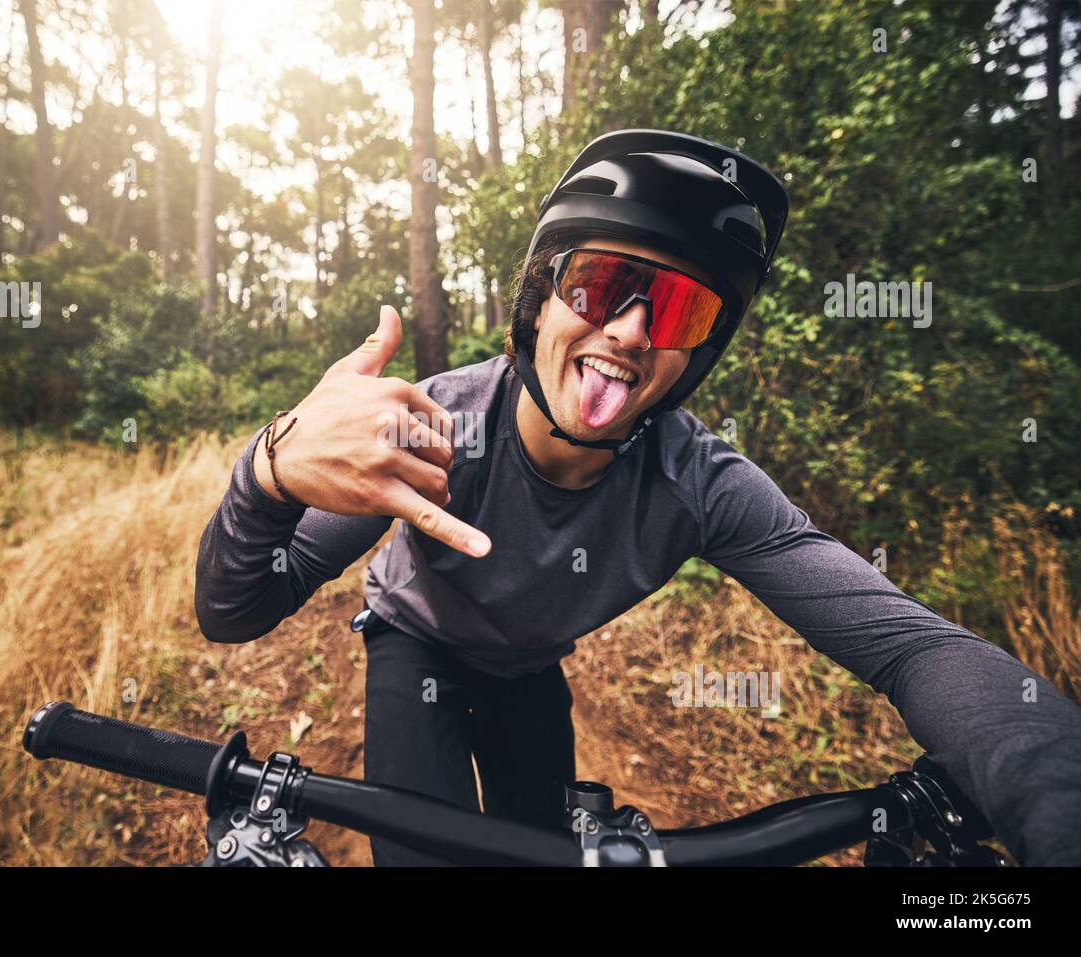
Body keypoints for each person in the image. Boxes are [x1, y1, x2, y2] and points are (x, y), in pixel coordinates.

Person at [195, 129, 1081, 867]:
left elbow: (910, 648)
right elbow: (234, 611)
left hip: (528, 666)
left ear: (696, 356)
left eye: (680, 310)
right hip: (414, 641)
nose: (627, 329)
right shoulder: (437, 425)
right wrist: (269, 469)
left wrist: (1055, 786)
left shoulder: (701, 485)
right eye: (600, 285)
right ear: (539, 306)